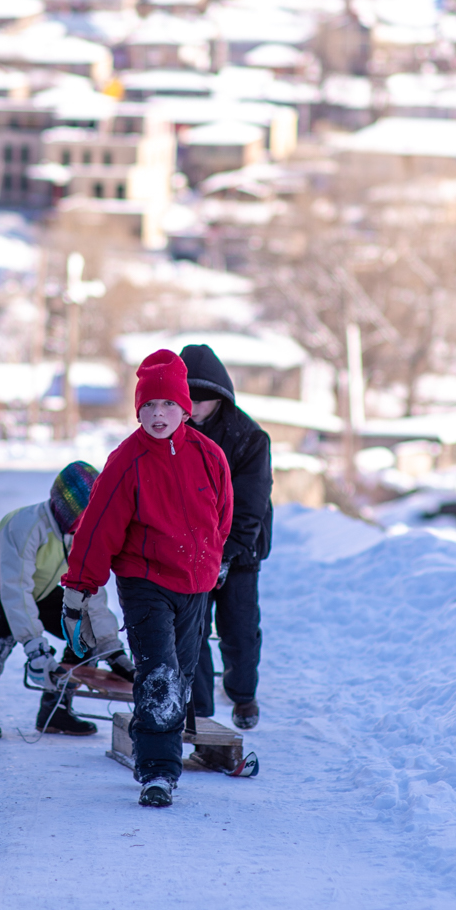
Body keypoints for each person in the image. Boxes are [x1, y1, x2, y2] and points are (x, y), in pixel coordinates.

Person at [61, 349, 232, 808]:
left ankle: (160, 750)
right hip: (145, 580)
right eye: (149, 407)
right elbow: (97, 528)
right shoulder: (127, 460)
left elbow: (222, 515)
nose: (159, 415)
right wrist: (80, 586)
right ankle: (157, 771)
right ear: (138, 410)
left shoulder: (209, 456)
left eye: (169, 406)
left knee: (182, 675)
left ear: (185, 408)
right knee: (158, 673)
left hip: (194, 584)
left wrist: (211, 557)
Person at [0, 462, 126, 739]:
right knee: (3, 632)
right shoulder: (26, 525)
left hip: (36, 589)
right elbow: (15, 588)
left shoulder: (83, 532)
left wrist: (110, 648)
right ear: (67, 508)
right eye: (86, 513)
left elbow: (89, 592)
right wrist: (36, 650)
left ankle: (56, 709)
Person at [179, 343, 272, 732]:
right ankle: (199, 710)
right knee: (192, 628)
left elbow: (250, 506)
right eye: (188, 398)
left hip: (241, 548)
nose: (194, 407)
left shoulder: (249, 437)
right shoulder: (172, 431)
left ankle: (242, 695)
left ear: (220, 396)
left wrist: (227, 555)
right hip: (191, 549)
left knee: (238, 629)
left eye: (203, 399)